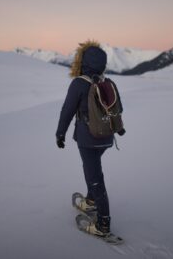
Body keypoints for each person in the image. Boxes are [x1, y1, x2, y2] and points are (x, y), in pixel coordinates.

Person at [55, 40, 125, 237]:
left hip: (87, 139)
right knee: (92, 167)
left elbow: (67, 111)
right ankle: (91, 201)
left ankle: (103, 225)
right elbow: (118, 109)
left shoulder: (79, 83)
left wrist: (60, 133)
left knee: (95, 178)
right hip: (106, 136)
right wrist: (118, 129)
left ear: (82, 61)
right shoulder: (106, 82)